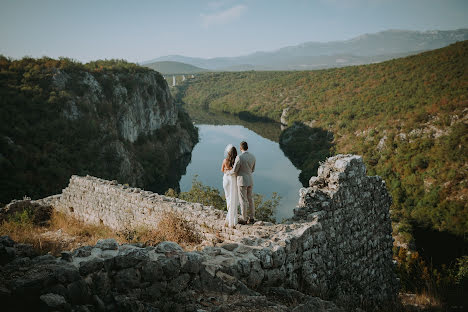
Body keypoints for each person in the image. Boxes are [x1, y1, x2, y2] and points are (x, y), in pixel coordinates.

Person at [228, 141, 256, 224]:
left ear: (240, 148)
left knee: (243, 200)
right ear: (247, 147)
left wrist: (228, 172)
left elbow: (234, 170)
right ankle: (252, 217)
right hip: (250, 180)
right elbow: (253, 170)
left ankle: (244, 218)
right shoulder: (253, 156)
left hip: (241, 181)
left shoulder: (239, 157)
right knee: (250, 199)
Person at [221, 144, 239, 227]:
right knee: (233, 198)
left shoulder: (225, 160)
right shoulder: (236, 161)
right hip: (232, 180)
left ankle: (228, 218)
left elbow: (222, 170)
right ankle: (232, 219)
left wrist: (227, 170)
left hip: (226, 180)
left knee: (228, 198)